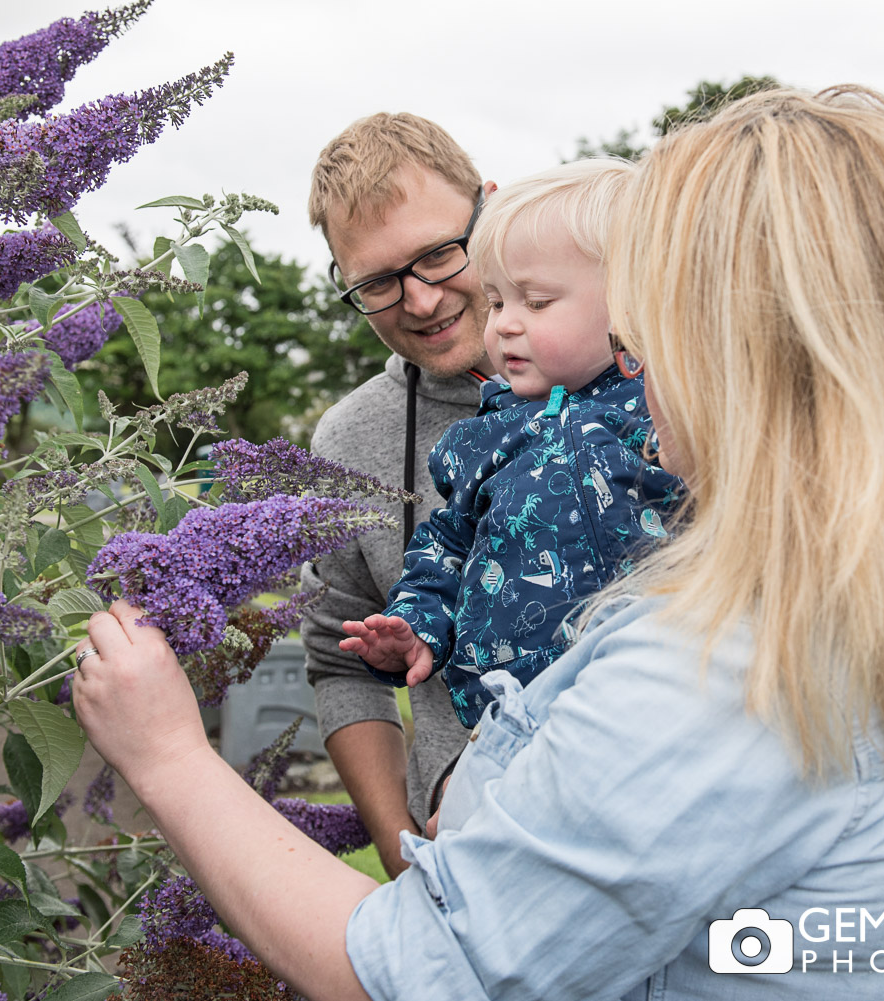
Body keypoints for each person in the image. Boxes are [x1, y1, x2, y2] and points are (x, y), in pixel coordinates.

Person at [73, 86, 884, 1000]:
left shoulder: (720, 673)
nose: (628, 365)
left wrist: (168, 752)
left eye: (655, 320)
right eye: (379, 282)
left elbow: (417, 970)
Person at [341, 159, 682, 728]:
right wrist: (416, 624)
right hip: (510, 718)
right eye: (497, 301)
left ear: (629, 300)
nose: (502, 325)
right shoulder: (481, 437)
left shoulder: (670, 406)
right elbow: (444, 547)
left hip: (653, 698)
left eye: (537, 302)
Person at [299, 113, 496, 877]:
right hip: (474, 873)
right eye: (378, 282)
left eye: (439, 255)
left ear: (492, 209)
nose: (418, 301)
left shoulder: (650, 369)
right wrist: (398, 845)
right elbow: (340, 662)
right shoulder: (349, 443)